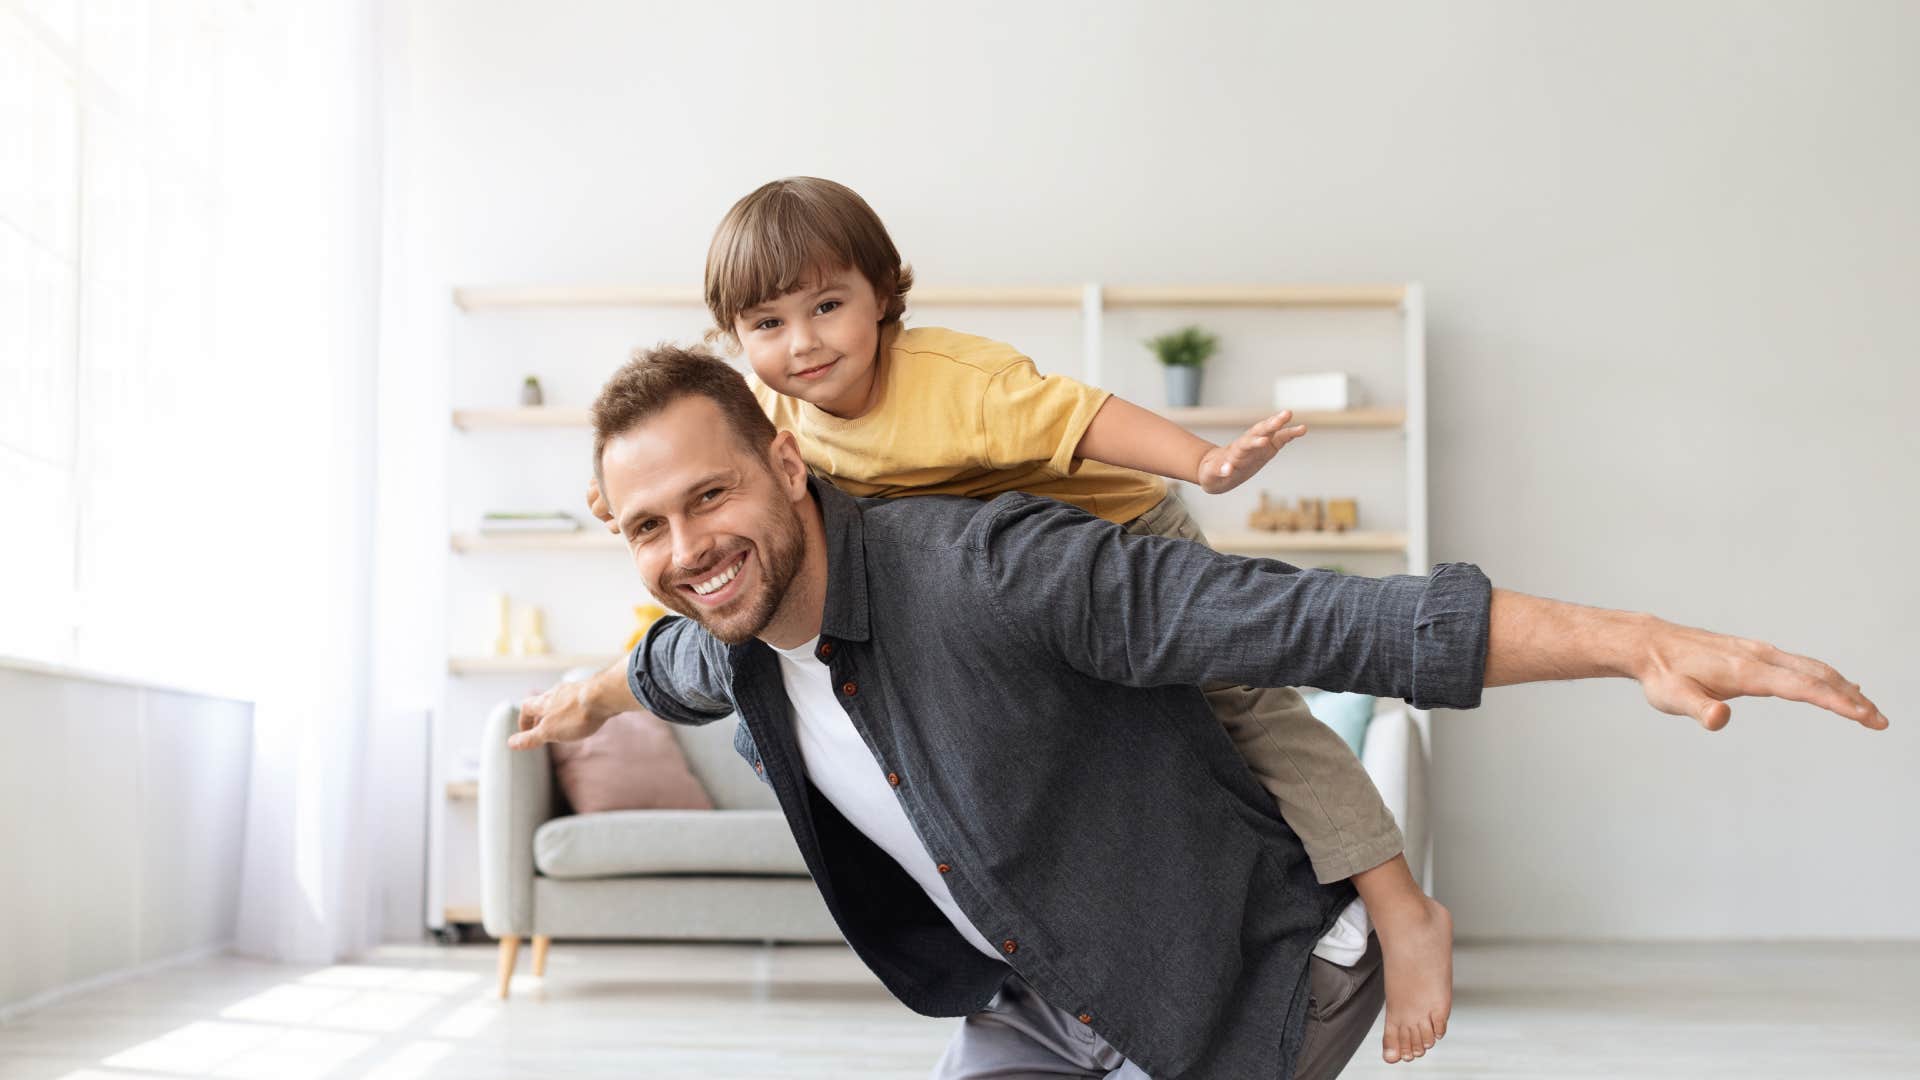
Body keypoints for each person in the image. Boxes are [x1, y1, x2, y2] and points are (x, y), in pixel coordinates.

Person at [528, 345, 1886, 1080]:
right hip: (1028, 1006)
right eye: (648, 526)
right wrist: (587, 689)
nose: (689, 545)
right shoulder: (725, 644)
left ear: (785, 456)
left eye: (710, 496)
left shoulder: (1000, 570)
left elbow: (1314, 619)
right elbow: (659, 666)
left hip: (1241, 987)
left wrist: (1634, 640)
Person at [588, 176, 1451, 1064]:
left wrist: (1206, 462)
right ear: (737, 339)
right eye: (767, 325)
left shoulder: (952, 383)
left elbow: (1082, 418)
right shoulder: (779, 410)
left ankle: (1400, 907)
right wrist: (620, 503)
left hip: (1119, 540)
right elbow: (698, 454)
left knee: (1252, 709)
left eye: (827, 306)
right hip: (1017, 602)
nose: (802, 345)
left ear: (883, 296)